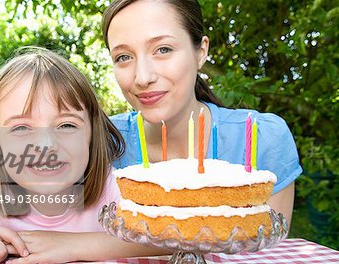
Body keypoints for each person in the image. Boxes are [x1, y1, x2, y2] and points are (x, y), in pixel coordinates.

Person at [102, 0, 302, 225]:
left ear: (201, 52)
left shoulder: (261, 138)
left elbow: (266, 249)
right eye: (123, 57)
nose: (142, 77)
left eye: (163, 49)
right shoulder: (101, 141)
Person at [0, 47, 167, 264]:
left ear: (91, 134)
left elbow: (170, 238)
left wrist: (73, 244)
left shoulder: (114, 191)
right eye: (21, 128)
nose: (45, 145)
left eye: (67, 125)